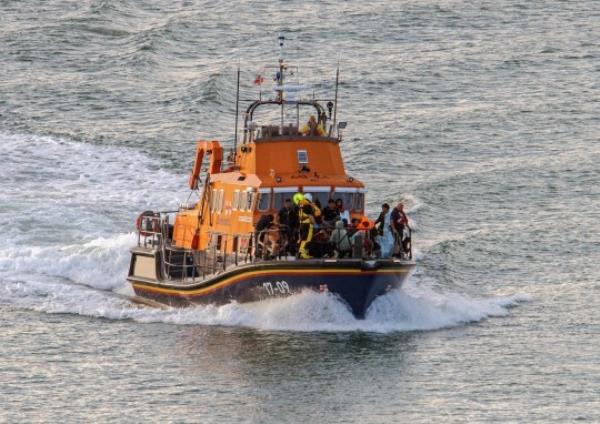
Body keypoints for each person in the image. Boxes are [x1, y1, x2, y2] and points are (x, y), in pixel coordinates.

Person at [297, 193, 317, 259]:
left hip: (301, 224)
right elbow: (311, 216)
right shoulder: (307, 205)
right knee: (306, 239)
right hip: (307, 225)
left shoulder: (301, 206)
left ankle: (303, 252)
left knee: (303, 239)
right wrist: (315, 224)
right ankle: (302, 253)